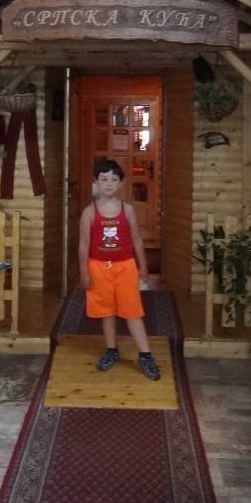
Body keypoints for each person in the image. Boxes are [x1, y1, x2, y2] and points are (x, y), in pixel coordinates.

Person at [78, 158, 161, 381]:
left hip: (125, 268)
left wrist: (143, 266)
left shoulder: (128, 210)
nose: (108, 183)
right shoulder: (89, 212)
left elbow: (136, 239)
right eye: (104, 179)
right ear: (96, 182)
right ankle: (111, 350)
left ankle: (145, 355)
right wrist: (84, 272)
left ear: (121, 184)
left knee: (132, 311)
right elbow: (84, 244)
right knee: (107, 312)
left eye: (113, 180)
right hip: (98, 268)